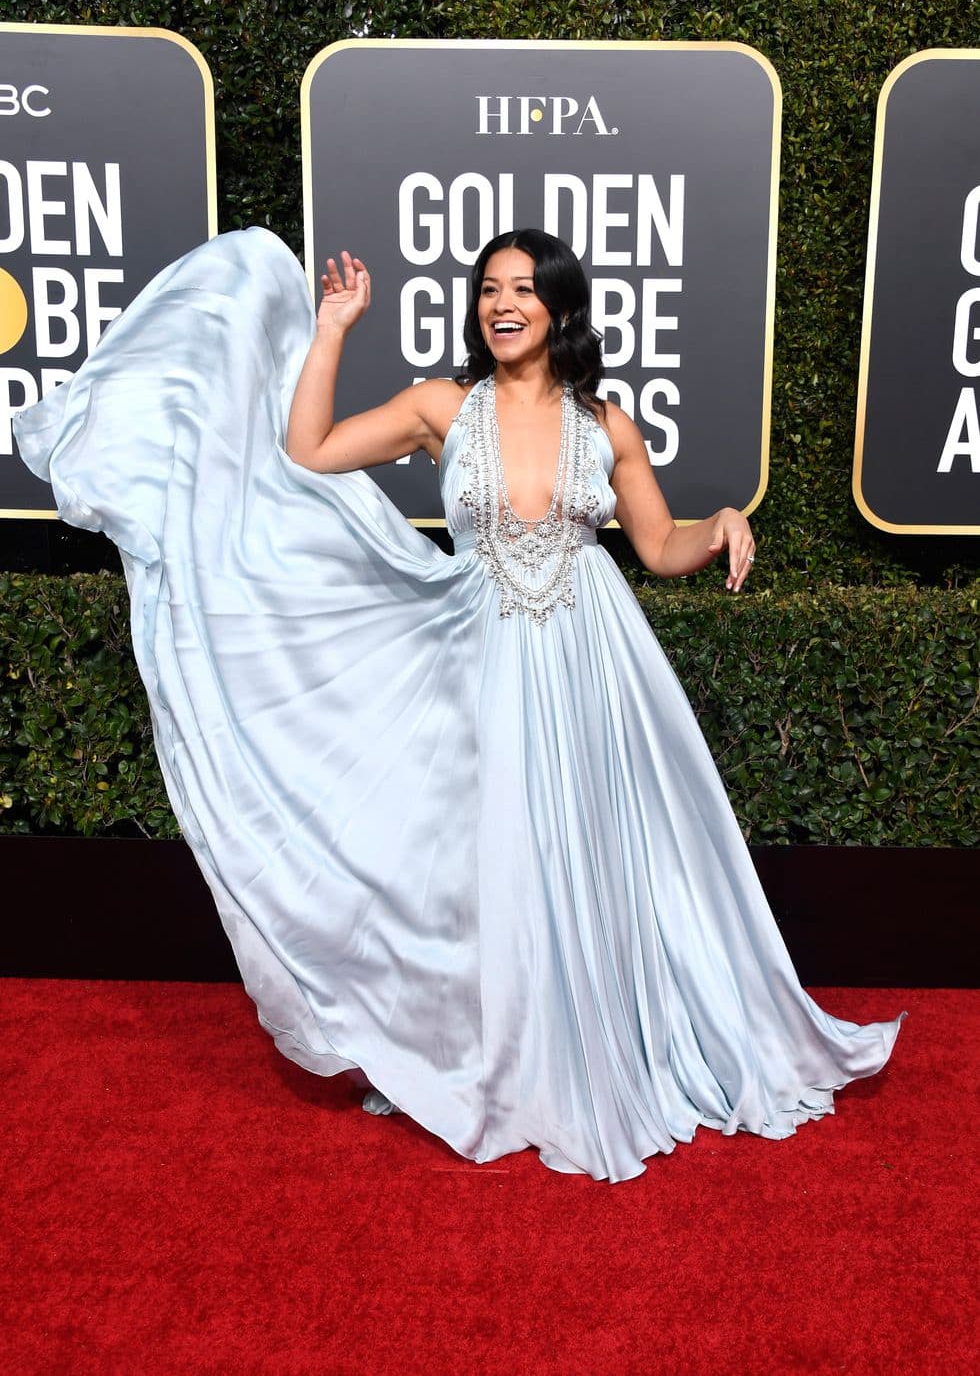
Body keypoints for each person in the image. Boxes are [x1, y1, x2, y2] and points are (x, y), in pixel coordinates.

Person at [14, 226, 903, 1183]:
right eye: (488, 289)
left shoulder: (608, 424)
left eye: (522, 288)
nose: (502, 304)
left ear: (560, 305)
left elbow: (657, 547)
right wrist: (333, 328)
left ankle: (615, 1038)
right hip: (482, 650)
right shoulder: (442, 405)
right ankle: (488, 1054)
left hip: (595, 657)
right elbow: (308, 449)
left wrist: (719, 522)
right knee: (485, 855)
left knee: (595, 845)